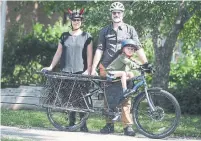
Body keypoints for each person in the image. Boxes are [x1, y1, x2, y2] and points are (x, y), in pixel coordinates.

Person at [91, 2, 148, 136]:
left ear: (123, 14)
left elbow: (138, 47)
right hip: (106, 67)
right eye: (114, 12)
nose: (116, 14)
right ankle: (109, 124)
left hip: (124, 67)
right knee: (108, 97)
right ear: (111, 14)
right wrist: (93, 67)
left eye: (119, 12)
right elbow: (99, 49)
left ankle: (127, 126)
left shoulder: (130, 30)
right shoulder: (104, 31)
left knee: (125, 96)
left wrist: (146, 63)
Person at [42, 8, 93, 132]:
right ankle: (71, 122)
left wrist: (89, 69)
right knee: (69, 98)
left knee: (81, 98)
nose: (76, 22)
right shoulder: (64, 36)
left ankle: (83, 124)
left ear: (82, 21)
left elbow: (89, 55)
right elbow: (58, 52)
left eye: (78, 20)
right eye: (74, 20)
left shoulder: (87, 36)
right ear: (71, 21)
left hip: (80, 71)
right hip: (66, 71)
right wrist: (51, 66)